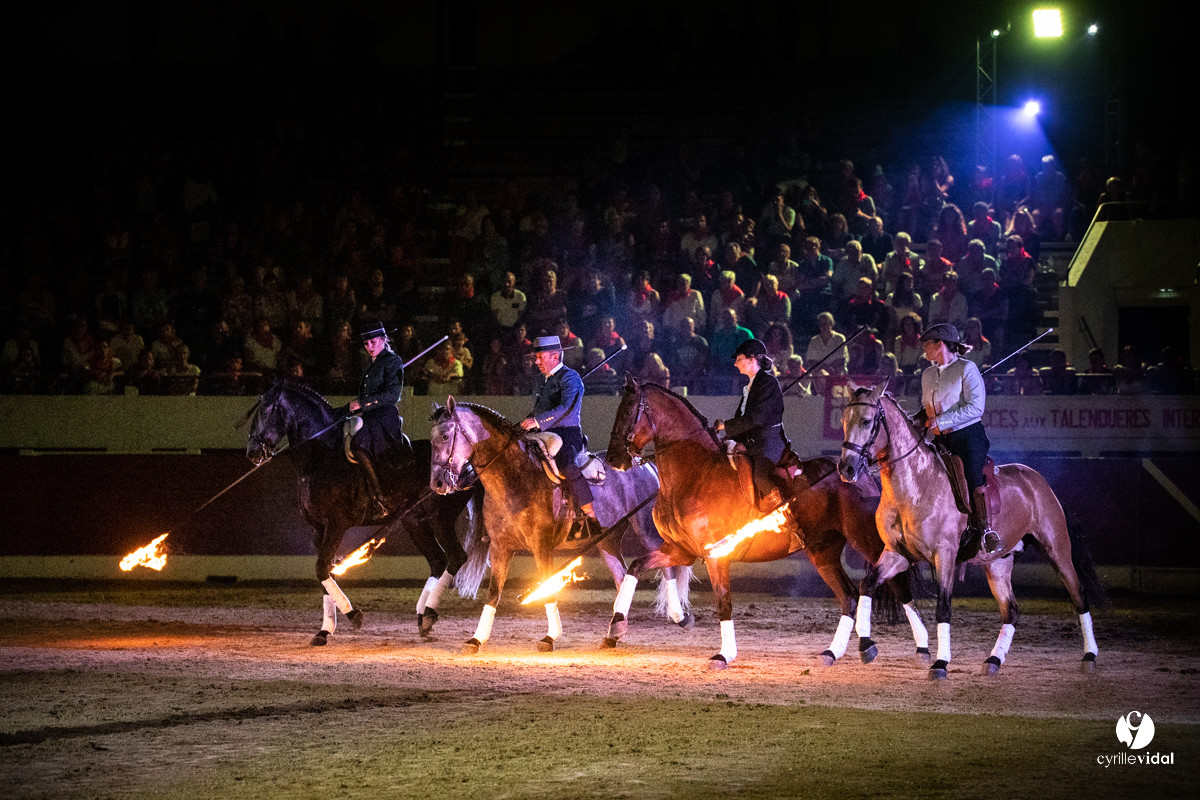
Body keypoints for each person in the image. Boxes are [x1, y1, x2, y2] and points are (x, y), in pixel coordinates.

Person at [918, 322, 999, 556]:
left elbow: (976, 407)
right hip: (939, 440)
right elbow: (926, 408)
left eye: (927, 344)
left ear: (940, 345)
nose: (924, 348)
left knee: (973, 475)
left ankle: (986, 530)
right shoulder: (927, 374)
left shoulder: (967, 368)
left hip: (967, 437)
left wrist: (941, 421)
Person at [519, 335, 601, 538]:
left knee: (565, 462)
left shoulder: (570, 378)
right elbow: (541, 410)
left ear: (554, 356)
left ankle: (589, 514)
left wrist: (538, 422)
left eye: (539, 357)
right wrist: (527, 423)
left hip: (566, 433)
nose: (536, 362)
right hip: (543, 432)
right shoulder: (543, 381)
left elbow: (567, 409)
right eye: (536, 357)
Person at [714, 338, 792, 510]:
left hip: (768, 444)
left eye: (739, 359)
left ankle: (786, 514)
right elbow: (744, 418)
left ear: (752, 359)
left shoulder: (768, 383)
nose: (735, 364)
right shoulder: (750, 385)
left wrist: (726, 425)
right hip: (752, 442)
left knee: (761, 477)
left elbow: (756, 419)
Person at [348, 320, 405, 517]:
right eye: (366, 344)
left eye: (373, 342)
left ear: (383, 339)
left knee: (359, 442)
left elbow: (392, 396)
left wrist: (364, 404)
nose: (369, 347)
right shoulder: (371, 364)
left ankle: (381, 498)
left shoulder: (392, 361)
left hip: (384, 418)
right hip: (369, 416)